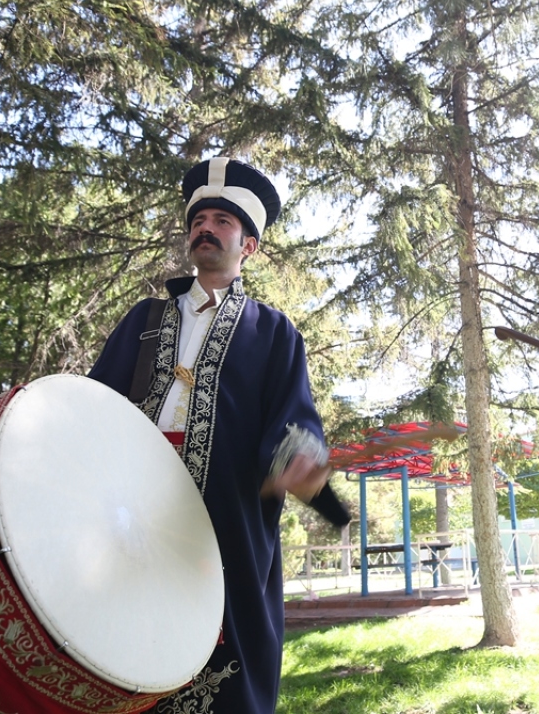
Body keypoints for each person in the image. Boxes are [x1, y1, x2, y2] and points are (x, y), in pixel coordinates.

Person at [89, 157, 343, 714]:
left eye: (222, 221)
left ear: (248, 245)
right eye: (198, 220)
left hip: (223, 518)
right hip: (127, 513)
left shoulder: (273, 332)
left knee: (221, 661)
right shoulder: (143, 319)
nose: (205, 228)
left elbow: (293, 418)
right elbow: (93, 406)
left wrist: (298, 461)